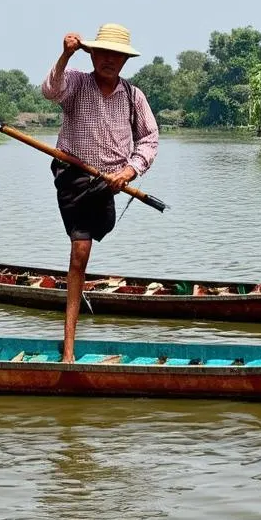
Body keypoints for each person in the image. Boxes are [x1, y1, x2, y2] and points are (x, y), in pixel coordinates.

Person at [41, 24, 159, 363]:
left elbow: (149, 140)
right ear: (92, 55)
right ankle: (68, 349)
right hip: (74, 176)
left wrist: (129, 170)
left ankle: (72, 335)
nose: (109, 60)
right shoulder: (77, 82)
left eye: (116, 55)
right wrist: (65, 54)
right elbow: (50, 90)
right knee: (80, 251)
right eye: (102, 53)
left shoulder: (133, 96)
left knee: (97, 232)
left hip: (109, 182)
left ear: (124, 60)